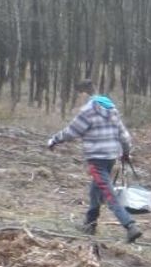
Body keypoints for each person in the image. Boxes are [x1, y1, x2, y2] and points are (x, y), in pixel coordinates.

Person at [47, 78, 141, 243]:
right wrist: (125, 152)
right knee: (95, 190)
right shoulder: (111, 108)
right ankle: (90, 224)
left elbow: (72, 131)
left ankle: (130, 225)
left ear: (84, 93)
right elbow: (124, 134)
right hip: (111, 157)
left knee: (108, 193)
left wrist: (54, 140)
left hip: (97, 159)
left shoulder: (88, 111)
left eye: (79, 95)